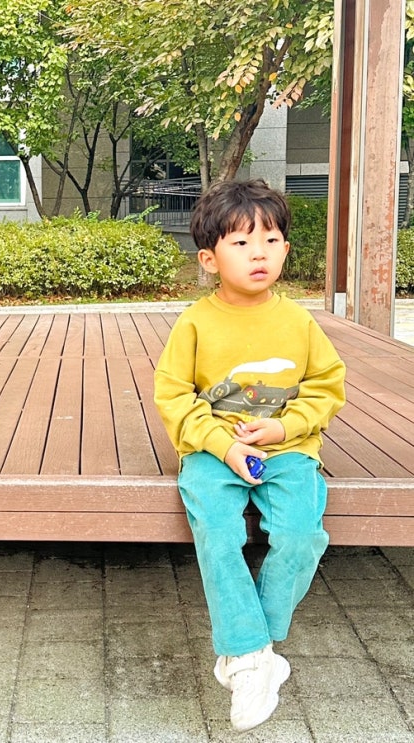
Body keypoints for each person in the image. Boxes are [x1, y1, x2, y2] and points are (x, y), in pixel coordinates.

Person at [153, 179, 346, 732]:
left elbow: (326, 386)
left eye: (270, 240)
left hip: (289, 450)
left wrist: (286, 425)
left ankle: (251, 647)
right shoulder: (196, 322)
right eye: (240, 243)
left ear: (286, 249)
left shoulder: (298, 322)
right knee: (217, 531)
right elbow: (173, 395)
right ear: (209, 259)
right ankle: (251, 660)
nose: (258, 253)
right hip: (212, 450)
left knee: (301, 535)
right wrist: (223, 444)